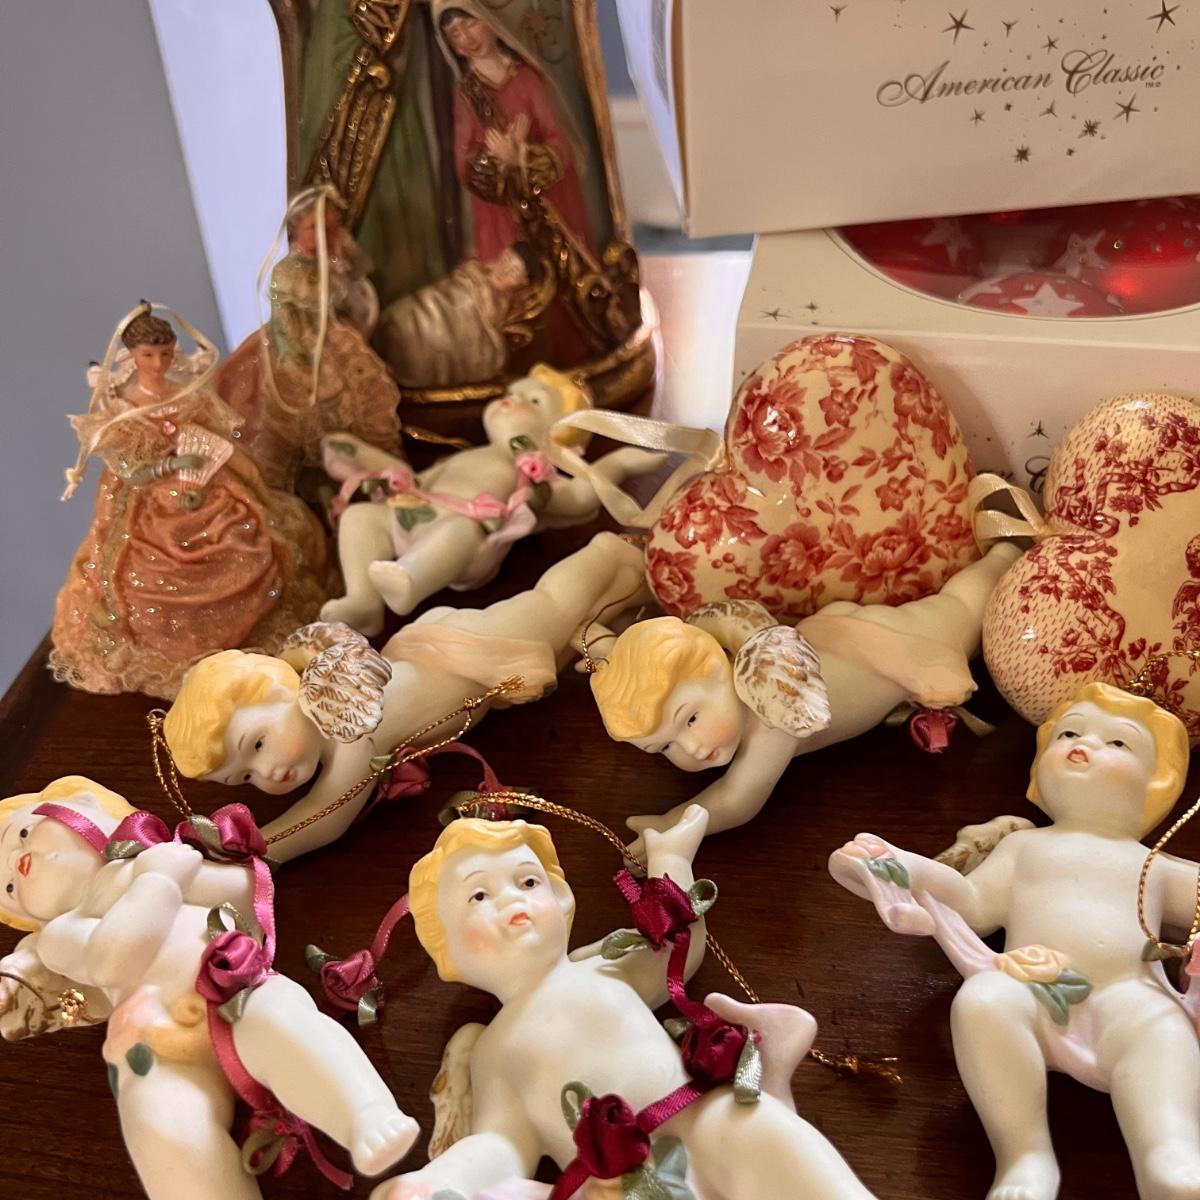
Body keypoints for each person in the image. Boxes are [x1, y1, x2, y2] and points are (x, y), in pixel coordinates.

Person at [367, 807, 876, 1199]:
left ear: (562, 900)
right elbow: (502, 1146)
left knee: (781, 1147)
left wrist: (671, 858)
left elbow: (677, 941)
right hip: (622, 1184)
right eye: (478, 896)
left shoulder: (607, 965)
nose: (510, 899)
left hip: (705, 1116)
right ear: (448, 953)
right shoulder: (492, 1053)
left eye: (528, 881)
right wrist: (442, 1180)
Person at [830, 682, 1198, 1200]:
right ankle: (1024, 1156)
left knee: (1162, 1033)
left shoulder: (1155, 865)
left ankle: (1171, 1156)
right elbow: (973, 904)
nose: (1085, 744)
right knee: (983, 1000)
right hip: (1033, 983)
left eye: (1118, 742)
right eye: (1069, 733)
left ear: (1157, 778)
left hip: (1130, 996)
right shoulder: (1024, 847)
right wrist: (903, 865)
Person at [0, 777, 417, 1200]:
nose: (19, 861)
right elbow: (112, 957)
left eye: (22, 833)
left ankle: (364, 1114)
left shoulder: (163, 855)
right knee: (157, 1118)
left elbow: (247, 890)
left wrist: (184, 870)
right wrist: (159, 880)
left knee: (284, 1024)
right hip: (156, 1041)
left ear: (88, 805)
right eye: (9, 889)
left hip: (234, 988)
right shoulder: (59, 935)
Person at [161, 532, 652, 861]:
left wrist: (257, 850)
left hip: (465, 649)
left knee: (550, 606)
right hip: (441, 656)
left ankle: (608, 552)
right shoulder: (333, 716)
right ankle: (625, 596)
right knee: (564, 636)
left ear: (279, 691)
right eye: (246, 777)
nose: (268, 773)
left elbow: (325, 819)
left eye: (257, 744)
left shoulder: (351, 733)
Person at [591, 543, 1022, 850]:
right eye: (664, 747)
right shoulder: (732, 664)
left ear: (717, 671)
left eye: (689, 720)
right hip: (827, 638)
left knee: (959, 612)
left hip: (889, 649)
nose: (691, 748)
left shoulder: (773, 711)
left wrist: (673, 824)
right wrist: (611, 655)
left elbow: (737, 800)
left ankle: (1009, 553)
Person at [50, 304, 327, 700]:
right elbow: (129, 469)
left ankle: (247, 619)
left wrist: (201, 466)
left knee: (247, 525)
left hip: (204, 481)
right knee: (136, 567)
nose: (158, 363)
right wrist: (173, 466)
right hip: (147, 495)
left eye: (164, 353)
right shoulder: (124, 403)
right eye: (148, 355)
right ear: (133, 355)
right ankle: (170, 645)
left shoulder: (182, 390)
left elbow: (213, 437)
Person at [433, 0, 597, 366]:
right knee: (511, 285)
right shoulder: (467, 94)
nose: (465, 38)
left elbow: (559, 144)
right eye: (453, 34)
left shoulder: (526, 80)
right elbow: (463, 161)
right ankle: (521, 356)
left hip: (548, 204)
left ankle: (566, 352)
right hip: (499, 214)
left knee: (554, 278)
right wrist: (496, 162)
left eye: (469, 24)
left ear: (490, 21)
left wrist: (521, 156)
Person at [215, 189, 403, 491]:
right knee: (296, 406)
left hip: (330, 336)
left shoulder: (327, 264)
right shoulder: (287, 272)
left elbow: (355, 298)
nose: (323, 235)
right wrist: (299, 356)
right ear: (296, 229)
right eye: (314, 228)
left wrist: (338, 258)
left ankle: (377, 467)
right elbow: (286, 323)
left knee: (364, 388)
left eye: (329, 228)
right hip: (296, 345)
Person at [375, 242, 543, 387]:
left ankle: (404, 363)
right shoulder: (474, 272)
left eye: (513, 272)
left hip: (454, 329)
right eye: (505, 260)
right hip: (434, 304)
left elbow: (491, 323)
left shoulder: (504, 303)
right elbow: (446, 290)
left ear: (523, 283)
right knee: (413, 313)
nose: (504, 271)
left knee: (425, 341)